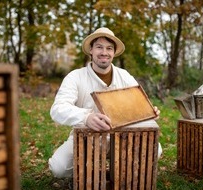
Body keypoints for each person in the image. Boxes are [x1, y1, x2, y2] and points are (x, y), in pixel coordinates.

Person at [48, 27, 162, 178]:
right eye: (99, 47)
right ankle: (88, 176)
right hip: (86, 138)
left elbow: (138, 104)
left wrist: (148, 112)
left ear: (114, 52)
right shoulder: (75, 77)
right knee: (59, 168)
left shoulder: (124, 76)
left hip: (122, 138)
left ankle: (122, 172)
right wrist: (86, 117)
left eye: (109, 48)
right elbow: (58, 108)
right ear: (91, 50)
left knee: (156, 150)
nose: (104, 52)